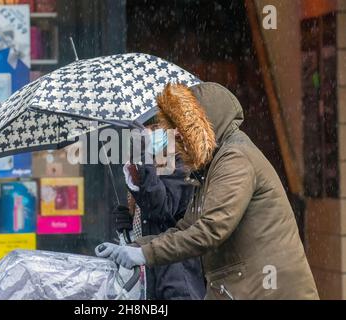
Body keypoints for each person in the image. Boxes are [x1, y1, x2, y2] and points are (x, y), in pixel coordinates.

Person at [96, 82, 319, 300]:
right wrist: (135, 247)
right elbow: (186, 226)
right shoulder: (213, 165)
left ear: (204, 125)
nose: (178, 137)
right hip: (242, 286)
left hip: (268, 288)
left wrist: (142, 254)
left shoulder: (235, 157)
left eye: (184, 128)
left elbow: (211, 230)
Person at [114, 122, 205, 300]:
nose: (148, 132)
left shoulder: (180, 162)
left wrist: (143, 157)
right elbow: (147, 220)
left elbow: (164, 210)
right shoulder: (147, 163)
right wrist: (128, 230)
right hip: (150, 275)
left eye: (154, 127)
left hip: (178, 275)